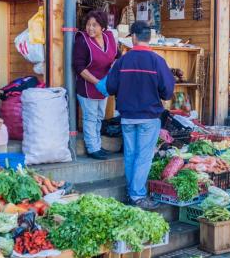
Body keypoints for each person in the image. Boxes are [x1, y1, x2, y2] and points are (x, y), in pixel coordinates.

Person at [97, 21, 175, 209]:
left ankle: (133, 191)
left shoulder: (122, 61)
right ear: (149, 38)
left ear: (133, 37)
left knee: (131, 155)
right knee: (143, 157)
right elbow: (168, 91)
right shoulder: (158, 61)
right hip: (149, 118)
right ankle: (137, 194)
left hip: (127, 117)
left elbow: (109, 87)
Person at [73, 11, 119, 160]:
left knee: (100, 116)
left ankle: (97, 145)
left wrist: (114, 66)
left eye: (94, 25)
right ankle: (92, 148)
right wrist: (97, 82)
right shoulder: (82, 40)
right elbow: (79, 67)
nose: (90, 28)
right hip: (88, 85)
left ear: (103, 28)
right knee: (90, 117)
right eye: (88, 25)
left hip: (103, 86)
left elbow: (117, 55)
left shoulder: (109, 37)